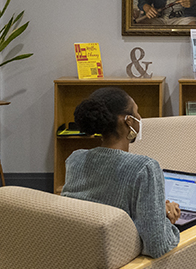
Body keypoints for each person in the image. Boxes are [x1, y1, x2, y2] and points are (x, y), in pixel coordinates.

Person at [61, 87, 181, 258]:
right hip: (124, 265)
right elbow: (158, 247)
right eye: (137, 112)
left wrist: (157, 211)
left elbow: (105, 205)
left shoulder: (76, 159)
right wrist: (166, 218)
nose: (140, 118)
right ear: (128, 121)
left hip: (81, 255)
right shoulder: (144, 168)